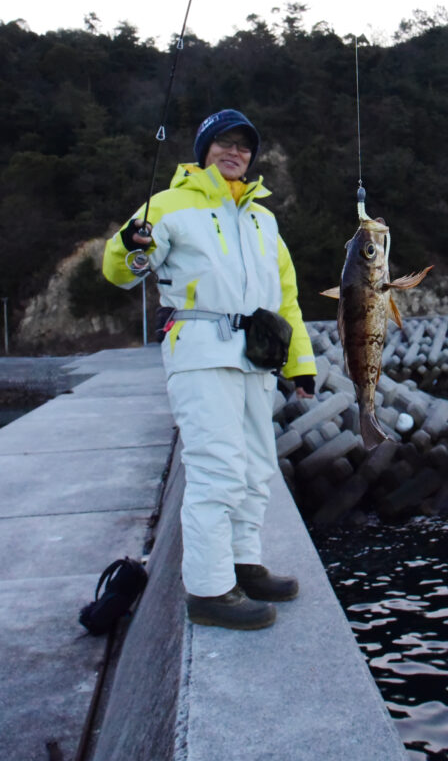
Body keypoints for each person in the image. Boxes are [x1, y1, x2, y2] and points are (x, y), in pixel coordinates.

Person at [103, 109, 317, 630]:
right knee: (216, 468)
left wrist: (301, 364)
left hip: (258, 354)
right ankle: (209, 589)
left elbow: (285, 299)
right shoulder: (170, 206)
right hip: (201, 349)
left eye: (244, 146)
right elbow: (122, 270)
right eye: (223, 142)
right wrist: (131, 247)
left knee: (254, 468)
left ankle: (243, 564)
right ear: (204, 149)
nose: (234, 152)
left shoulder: (264, 218)